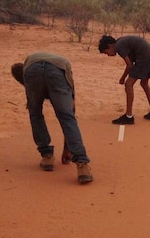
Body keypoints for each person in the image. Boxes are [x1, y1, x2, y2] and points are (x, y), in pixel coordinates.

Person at [11, 52, 93, 184]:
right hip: (58, 70)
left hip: (34, 70)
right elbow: (71, 109)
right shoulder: (62, 63)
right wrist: (67, 149)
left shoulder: (28, 68)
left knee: (35, 113)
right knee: (67, 117)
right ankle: (82, 165)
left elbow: (33, 106)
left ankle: (47, 156)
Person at [98, 34, 150, 124]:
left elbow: (129, 65)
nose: (108, 55)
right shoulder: (121, 42)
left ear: (110, 46)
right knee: (144, 84)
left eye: (106, 52)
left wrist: (122, 78)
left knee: (128, 84)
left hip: (145, 58)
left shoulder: (119, 46)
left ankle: (128, 116)